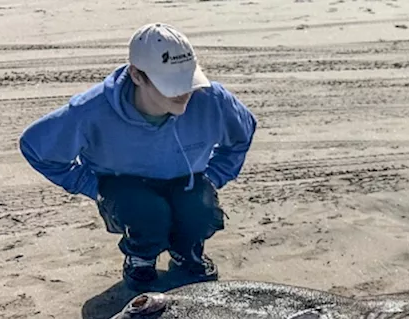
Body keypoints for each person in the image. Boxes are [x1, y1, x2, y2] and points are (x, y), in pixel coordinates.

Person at [19, 23, 257, 291]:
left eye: (187, 80)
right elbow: (36, 147)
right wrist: (91, 187)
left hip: (187, 181)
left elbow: (243, 132)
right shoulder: (91, 110)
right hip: (125, 187)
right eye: (171, 84)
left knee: (199, 209)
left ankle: (187, 252)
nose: (184, 93)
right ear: (137, 75)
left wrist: (215, 176)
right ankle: (140, 258)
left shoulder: (212, 99)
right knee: (147, 213)